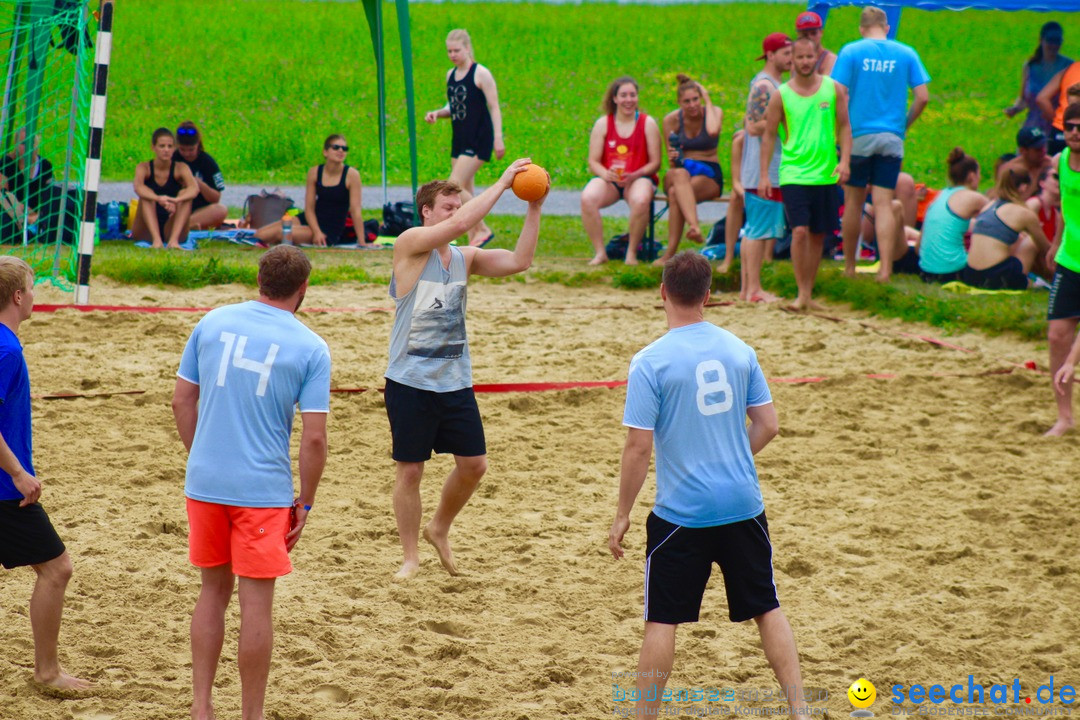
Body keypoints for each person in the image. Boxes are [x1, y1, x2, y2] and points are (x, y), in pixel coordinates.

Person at [608, 251, 808, 719]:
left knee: (662, 620)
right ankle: (801, 712)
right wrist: (732, 456)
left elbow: (638, 449)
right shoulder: (740, 350)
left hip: (682, 513)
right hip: (742, 503)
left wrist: (622, 515)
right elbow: (769, 425)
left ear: (662, 292)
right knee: (767, 607)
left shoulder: (649, 361)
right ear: (708, 296)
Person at [172, 245, 331, 720]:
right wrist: (305, 502)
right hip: (261, 491)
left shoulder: (213, 321)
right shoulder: (310, 346)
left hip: (205, 482)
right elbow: (315, 440)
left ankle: (201, 706)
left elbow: (182, 402)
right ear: (303, 289)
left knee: (211, 592)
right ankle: (251, 714)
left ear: (259, 278)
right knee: (256, 605)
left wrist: (201, 456)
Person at [386, 158, 546, 580]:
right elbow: (458, 229)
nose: (455, 215)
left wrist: (534, 205)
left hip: (454, 381)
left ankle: (439, 527)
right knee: (411, 470)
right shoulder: (410, 243)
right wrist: (503, 183)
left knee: (475, 466)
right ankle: (410, 557)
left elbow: (520, 260)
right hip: (409, 381)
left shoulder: (464, 257)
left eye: (459, 207)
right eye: (447, 208)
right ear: (426, 211)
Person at [0, 257, 89, 693]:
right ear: (18, 297)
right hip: (3, 489)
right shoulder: (7, 350)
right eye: (32, 288)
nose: (35, 295)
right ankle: (47, 672)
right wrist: (18, 472)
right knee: (57, 569)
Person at [832, 6, 931, 282]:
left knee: (853, 202)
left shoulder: (851, 51)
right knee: (884, 203)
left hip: (859, 135)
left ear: (862, 29)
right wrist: (903, 126)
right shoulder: (906, 53)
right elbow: (923, 96)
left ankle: (850, 267)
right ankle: (885, 269)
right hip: (891, 137)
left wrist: (843, 126)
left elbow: (837, 89)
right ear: (887, 28)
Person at [761, 36, 851, 310]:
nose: (804, 62)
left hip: (825, 173)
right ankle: (801, 293)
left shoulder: (833, 89)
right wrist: (765, 175)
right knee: (799, 231)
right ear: (791, 60)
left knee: (818, 235)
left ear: (817, 57)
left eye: (809, 57)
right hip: (793, 172)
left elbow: (846, 127)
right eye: (799, 57)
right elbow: (767, 136)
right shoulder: (782, 94)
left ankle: (808, 294)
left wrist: (844, 160)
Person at [424, 29, 504, 247]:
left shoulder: (481, 73)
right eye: (449, 51)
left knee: (453, 186)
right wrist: (438, 113)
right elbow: (455, 106)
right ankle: (473, 236)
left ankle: (484, 229)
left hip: (479, 138)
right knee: (465, 190)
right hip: (459, 138)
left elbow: (494, 106)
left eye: (457, 50)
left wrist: (498, 138)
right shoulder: (450, 75)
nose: (452, 54)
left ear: (467, 49)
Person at [581, 76, 661, 265]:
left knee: (641, 200)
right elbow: (593, 161)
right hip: (611, 179)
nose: (628, 100)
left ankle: (631, 253)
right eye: (623, 95)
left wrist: (635, 175)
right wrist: (604, 174)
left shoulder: (647, 123)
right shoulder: (603, 123)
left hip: (638, 177)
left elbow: (655, 163)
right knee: (588, 197)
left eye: (632, 95)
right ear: (615, 99)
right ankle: (600, 253)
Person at [739, 33, 793, 302]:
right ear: (771, 55)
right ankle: (753, 289)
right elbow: (752, 125)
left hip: (766, 167)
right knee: (757, 230)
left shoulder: (772, 84)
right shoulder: (765, 86)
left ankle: (748, 289)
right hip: (761, 169)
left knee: (756, 229)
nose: (790, 58)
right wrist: (784, 118)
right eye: (786, 53)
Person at [653, 74, 723, 265]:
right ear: (679, 102)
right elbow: (671, 160)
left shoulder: (714, 112)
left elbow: (713, 131)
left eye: (696, 99)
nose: (692, 105)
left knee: (676, 193)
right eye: (687, 101)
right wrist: (675, 157)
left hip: (708, 171)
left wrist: (707, 98)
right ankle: (694, 226)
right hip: (680, 169)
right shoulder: (671, 120)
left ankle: (669, 255)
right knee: (678, 174)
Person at [255, 134, 364, 247]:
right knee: (260, 234)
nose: (341, 150)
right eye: (336, 147)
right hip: (311, 219)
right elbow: (309, 209)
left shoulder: (352, 175)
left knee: (281, 233)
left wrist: (362, 242)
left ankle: (279, 241)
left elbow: (356, 211)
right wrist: (316, 231)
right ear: (325, 152)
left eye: (344, 148)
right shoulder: (314, 172)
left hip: (328, 228)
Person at [1045, 103, 1080, 436]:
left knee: (1073, 351)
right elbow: (1064, 209)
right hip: (1071, 260)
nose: (1074, 132)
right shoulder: (1060, 163)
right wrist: (1056, 243)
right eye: (1069, 126)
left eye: (1079, 127)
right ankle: (1065, 417)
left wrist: (1074, 360)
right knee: (1057, 337)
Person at [961, 166, 1050, 290]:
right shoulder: (1024, 213)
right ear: (1024, 187)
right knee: (1031, 242)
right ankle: (1024, 281)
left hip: (971, 275)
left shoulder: (989, 205)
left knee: (1010, 240)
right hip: (996, 277)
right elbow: (1046, 249)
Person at [918, 147, 988, 283]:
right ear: (972, 177)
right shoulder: (974, 197)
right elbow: (1001, 218)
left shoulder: (938, 197)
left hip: (926, 272)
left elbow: (918, 247)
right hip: (954, 272)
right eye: (979, 174)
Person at [132, 127, 199, 249]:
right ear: (153, 147)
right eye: (162, 146)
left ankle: (173, 242)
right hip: (146, 230)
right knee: (147, 194)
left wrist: (176, 200)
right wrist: (158, 199)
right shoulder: (144, 167)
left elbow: (194, 189)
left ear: (174, 148)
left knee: (185, 195)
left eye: (169, 146)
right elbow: (138, 187)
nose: (166, 150)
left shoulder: (181, 168)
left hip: (171, 225)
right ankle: (156, 241)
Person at [1006, 22, 1072, 139]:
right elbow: (1024, 99)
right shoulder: (1030, 66)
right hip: (1033, 126)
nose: (1054, 45)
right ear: (1041, 40)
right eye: (1050, 40)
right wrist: (1015, 109)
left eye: (1057, 41)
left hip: (1058, 126)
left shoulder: (1068, 66)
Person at [173, 121, 227, 231]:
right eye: (182, 149)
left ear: (198, 144)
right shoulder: (172, 159)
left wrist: (198, 183)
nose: (187, 154)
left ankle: (182, 227)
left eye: (191, 150)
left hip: (198, 212)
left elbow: (215, 198)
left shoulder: (207, 162)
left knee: (221, 210)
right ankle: (180, 227)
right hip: (175, 209)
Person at [1037, 52, 1080, 156]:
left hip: (1060, 130)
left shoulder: (1070, 69)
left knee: (1056, 168)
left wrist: (1058, 121)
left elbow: (1042, 98)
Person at [996, 127, 1051, 201]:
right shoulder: (1010, 170)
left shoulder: (1050, 164)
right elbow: (1002, 197)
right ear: (1023, 151)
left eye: (1044, 146)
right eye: (1038, 149)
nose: (1044, 151)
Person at [723, 129, 746, 277]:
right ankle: (728, 257)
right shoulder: (740, 142)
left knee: (769, 199)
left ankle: (767, 257)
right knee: (735, 197)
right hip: (747, 186)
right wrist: (745, 195)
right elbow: (735, 181)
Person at [1029, 165, 1063, 252]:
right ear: (1042, 183)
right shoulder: (1034, 204)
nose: (1060, 180)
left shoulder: (1056, 214)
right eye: (1056, 177)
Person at [795, 10, 836, 75]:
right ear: (798, 35)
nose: (810, 38)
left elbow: (825, 84)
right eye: (805, 35)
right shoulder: (794, 60)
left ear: (821, 33)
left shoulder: (830, 60)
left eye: (813, 33)